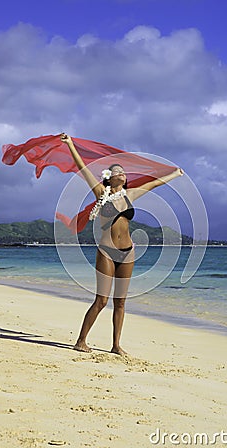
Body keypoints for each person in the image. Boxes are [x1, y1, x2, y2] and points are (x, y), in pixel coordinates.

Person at [60, 133, 184, 355]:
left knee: (120, 303)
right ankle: (81, 341)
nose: (122, 174)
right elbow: (82, 168)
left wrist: (175, 173)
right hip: (107, 251)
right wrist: (70, 144)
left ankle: (116, 345)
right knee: (101, 300)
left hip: (128, 252)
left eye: (124, 172)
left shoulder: (131, 195)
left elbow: (155, 183)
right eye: (118, 172)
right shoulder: (101, 193)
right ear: (109, 178)